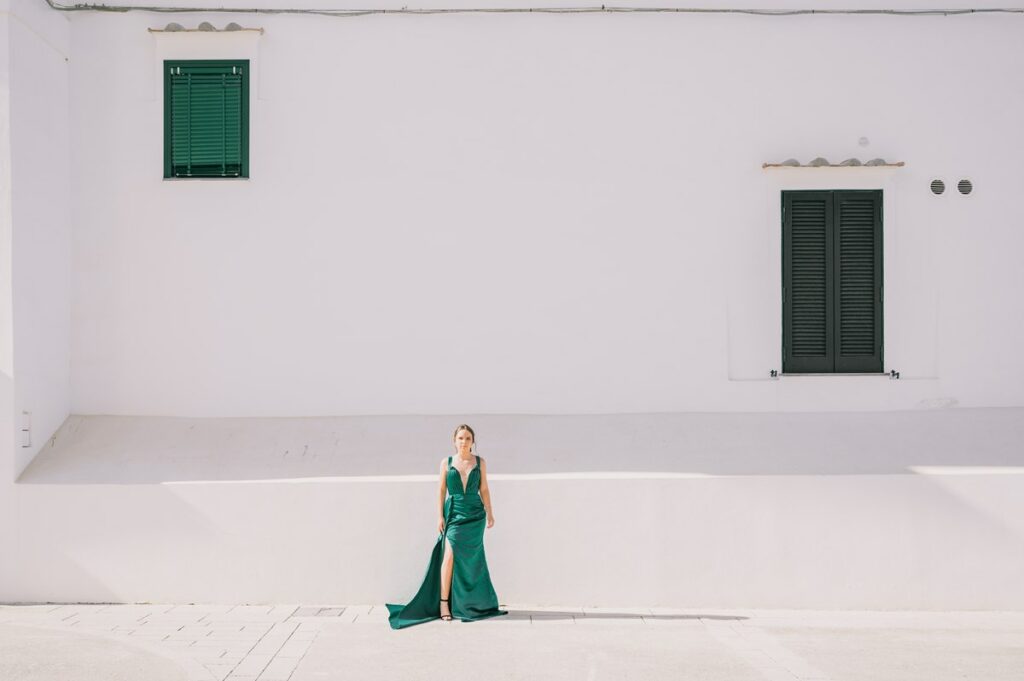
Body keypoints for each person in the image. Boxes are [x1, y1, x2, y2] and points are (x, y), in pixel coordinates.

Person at [385, 424, 508, 628]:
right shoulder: (446, 462)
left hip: (475, 515)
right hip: (454, 513)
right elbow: (441, 490)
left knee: (471, 561)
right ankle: (444, 604)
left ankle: (471, 603)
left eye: (468, 438)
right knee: (449, 557)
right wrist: (439, 516)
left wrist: (490, 512)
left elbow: (484, 489)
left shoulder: (480, 462)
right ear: (454, 440)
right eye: (460, 438)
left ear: (472, 441)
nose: (464, 442)